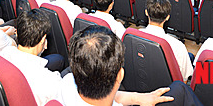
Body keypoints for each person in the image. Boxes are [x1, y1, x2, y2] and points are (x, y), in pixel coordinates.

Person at [59, 25, 204, 106]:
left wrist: (139, 98)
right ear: (120, 75)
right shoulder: (179, 45)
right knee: (180, 88)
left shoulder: (66, 82)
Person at [141, 0, 193, 81]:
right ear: (168, 17)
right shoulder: (178, 46)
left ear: (146, 12)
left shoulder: (133, 34)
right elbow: (183, 78)